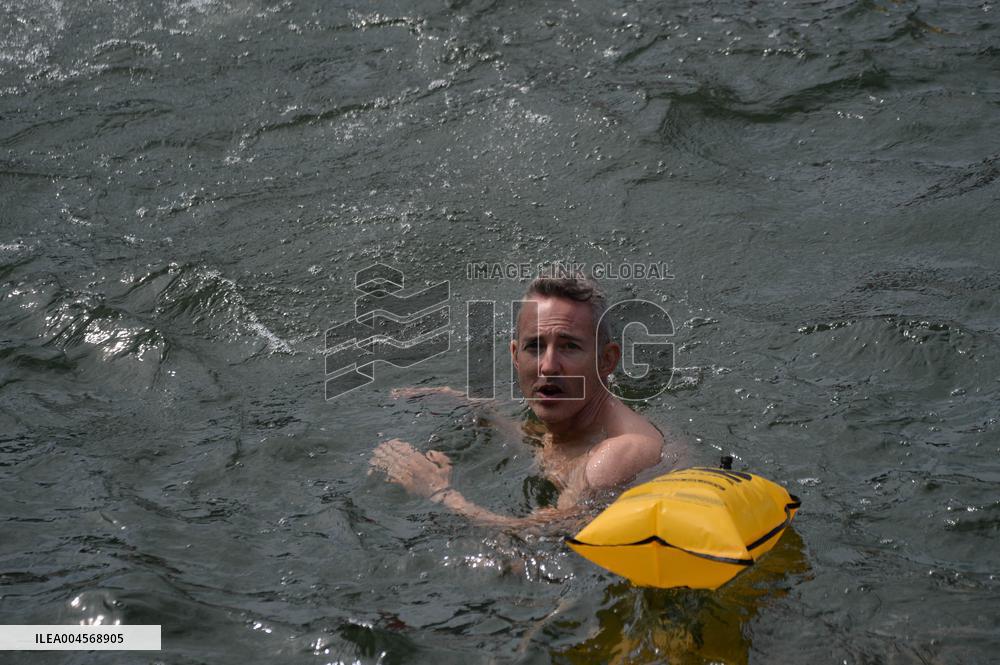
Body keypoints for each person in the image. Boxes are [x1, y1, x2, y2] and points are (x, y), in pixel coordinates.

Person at [370, 276, 672, 527]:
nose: (548, 366)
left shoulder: (613, 457)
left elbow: (539, 545)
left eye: (569, 346)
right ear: (515, 356)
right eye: (535, 346)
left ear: (607, 361)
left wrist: (439, 491)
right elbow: (548, 446)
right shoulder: (575, 424)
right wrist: (480, 411)